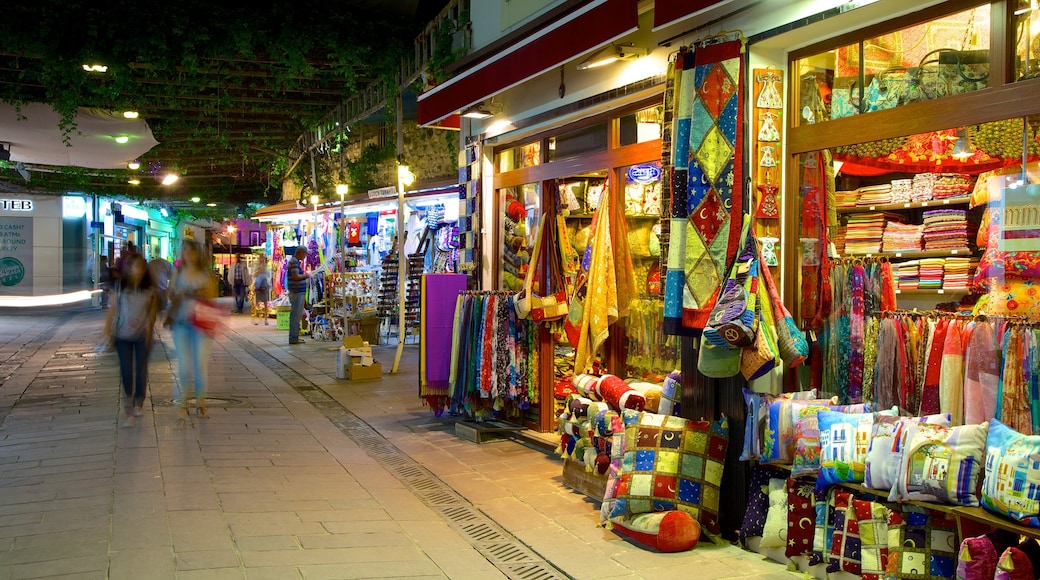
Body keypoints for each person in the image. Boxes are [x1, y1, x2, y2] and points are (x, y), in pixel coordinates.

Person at [104, 253, 159, 427]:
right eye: (135, 266)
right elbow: (112, 310)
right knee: (126, 370)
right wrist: (106, 332)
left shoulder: (149, 289)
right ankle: (128, 400)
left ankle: (138, 402)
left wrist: (150, 332)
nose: (139, 270)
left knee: (141, 370)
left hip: (142, 335)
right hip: (122, 335)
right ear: (128, 268)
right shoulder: (120, 287)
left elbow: (152, 313)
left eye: (141, 267)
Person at [167, 241, 218, 424]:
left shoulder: (205, 274)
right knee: (184, 366)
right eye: (185, 251)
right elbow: (170, 294)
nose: (188, 254)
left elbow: (212, 295)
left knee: (200, 365)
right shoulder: (178, 273)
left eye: (191, 251)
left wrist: (198, 292)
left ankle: (200, 403)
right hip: (181, 322)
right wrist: (178, 294)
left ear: (197, 254)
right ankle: (181, 404)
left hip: (201, 325)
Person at [287, 245, 311, 344]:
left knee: (296, 315)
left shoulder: (295, 262)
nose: (305, 256)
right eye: (304, 254)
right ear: (300, 253)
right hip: (296, 292)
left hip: (297, 292)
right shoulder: (294, 262)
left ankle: (294, 336)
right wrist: (306, 275)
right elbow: (295, 276)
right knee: (296, 316)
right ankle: (293, 338)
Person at [251, 254, 271, 326]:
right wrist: (259, 270)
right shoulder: (256, 265)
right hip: (258, 285)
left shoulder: (266, 266)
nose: (262, 260)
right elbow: (253, 274)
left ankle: (266, 319)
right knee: (256, 302)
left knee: (265, 302)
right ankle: (255, 318)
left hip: (264, 285)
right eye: (261, 258)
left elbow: (268, 275)